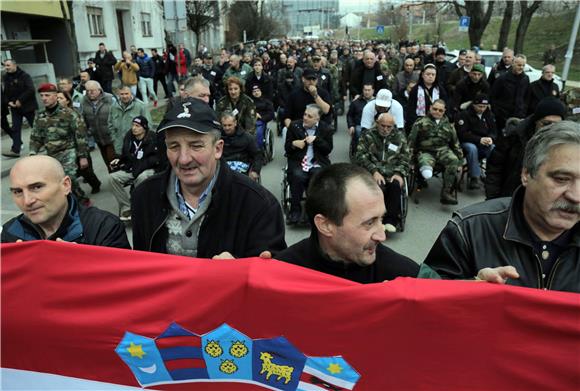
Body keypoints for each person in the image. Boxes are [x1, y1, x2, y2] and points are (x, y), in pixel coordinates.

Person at [421, 121, 580, 293]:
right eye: (562, 179)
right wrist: (470, 288)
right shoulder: (469, 230)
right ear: (526, 174)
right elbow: (426, 301)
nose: (576, 196)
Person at [131, 98, 286, 257]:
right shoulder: (144, 197)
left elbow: (273, 272)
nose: (184, 159)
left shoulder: (259, 205)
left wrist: (240, 269)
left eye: (196, 146)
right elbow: (140, 268)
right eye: (174, 146)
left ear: (218, 149)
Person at [275, 163, 419, 283]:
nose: (382, 236)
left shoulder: (404, 277)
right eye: (369, 223)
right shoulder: (281, 275)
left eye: (381, 219)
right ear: (325, 225)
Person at [2, 156, 130, 248]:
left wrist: (83, 266)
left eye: (37, 187)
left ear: (66, 185)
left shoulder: (103, 227)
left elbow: (125, 282)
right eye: (18, 192)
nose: (27, 201)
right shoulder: (11, 233)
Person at [485, 97, 567, 200]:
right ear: (536, 122)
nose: (550, 129)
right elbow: (495, 167)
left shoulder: (566, 145)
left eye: (556, 125)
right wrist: (493, 199)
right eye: (546, 124)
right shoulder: (514, 137)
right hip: (509, 199)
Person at [29, 83, 90, 205]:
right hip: (51, 153)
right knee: (52, 181)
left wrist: (83, 156)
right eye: (42, 96)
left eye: (47, 95)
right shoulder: (40, 115)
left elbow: (81, 135)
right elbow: (36, 136)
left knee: (69, 177)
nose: (44, 98)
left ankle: (82, 200)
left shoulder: (69, 113)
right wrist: (32, 153)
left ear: (55, 96)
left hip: (68, 150)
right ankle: (65, 202)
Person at [355, 113, 410, 233]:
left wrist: (399, 173)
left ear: (393, 126)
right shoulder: (368, 135)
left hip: (392, 172)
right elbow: (360, 156)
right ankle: (375, 219)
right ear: (377, 124)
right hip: (372, 171)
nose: (385, 129)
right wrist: (373, 171)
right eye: (383, 126)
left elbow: (405, 158)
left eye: (389, 127)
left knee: (395, 186)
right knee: (376, 187)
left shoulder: (399, 137)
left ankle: (390, 220)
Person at [285, 104, 333, 225]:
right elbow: (287, 149)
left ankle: (310, 211)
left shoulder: (325, 129)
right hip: (298, 161)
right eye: (305, 114)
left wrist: (317, 140)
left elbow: (328, 149)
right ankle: (295, 210)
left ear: (317, 119)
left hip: (317, 161)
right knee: (297, 176)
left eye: (309, 116)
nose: (305, 118)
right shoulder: (294, 126)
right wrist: (293, 144)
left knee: (316, 177)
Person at [408, 99, 463, 205]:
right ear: (430, 108)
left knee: (453, 160)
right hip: (425, 152)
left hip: (443, 151)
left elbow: (456, 144)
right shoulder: (420, 123)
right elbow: (411, 142)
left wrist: (460, 161)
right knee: (427, 172)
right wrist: (410, 161)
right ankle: (421, 181)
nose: (437, 112)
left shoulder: (449, 126)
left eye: (440, 110)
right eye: (435, 109)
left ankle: (446, 193)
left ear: (444, 111)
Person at [109, 116, 160, 221]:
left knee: (142, 177)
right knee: (112, 178)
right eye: (133, 125)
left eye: (137, 126)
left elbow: (155, 159)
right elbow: (125, 155)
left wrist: (139, 167)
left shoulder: (152, 138)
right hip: (132, 168)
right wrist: (119, 161)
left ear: (144, 128)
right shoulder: (129, 136)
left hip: (148, 168)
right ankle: (127, 208)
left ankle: (138, 206)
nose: (134, 128)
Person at [57, 90, 101, 194]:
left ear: (67, 101)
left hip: (78, 147)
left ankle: (95, 184)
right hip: (64, 150)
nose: (58, 100)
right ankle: (77, 194)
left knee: (86, 171)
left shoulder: (74, 113)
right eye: (57, 98)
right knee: (70, 174)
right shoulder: (53, 116)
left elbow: (81, 133)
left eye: (61, 98)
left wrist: (83, 153)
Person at [455, 94, 497, 190]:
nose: (482, 109)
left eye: (484, 107)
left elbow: (494, 131)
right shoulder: (464, 115)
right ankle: (475, 177)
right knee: (472, 148)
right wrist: (479, 140)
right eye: (480, 106)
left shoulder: (489, 115)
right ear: (474, 105)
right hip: (468, 142)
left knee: (493, 148)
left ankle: (491, 175)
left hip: (484, 143)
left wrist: (491, 138)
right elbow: (462, 134)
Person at [2, 59, 38, 157]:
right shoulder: (6, 77)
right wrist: (8, 102)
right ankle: (15, 150)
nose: (6, 68)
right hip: (14, 107)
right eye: (5, 66)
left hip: (27, 106)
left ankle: (43, 143)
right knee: (15, 128)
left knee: (35, 127)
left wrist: (20, 100)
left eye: (8, 65)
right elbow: (5, 92)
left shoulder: (24, 76)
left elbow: (30, 89)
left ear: (14, 65)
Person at [80, 80, 116, 171]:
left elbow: (118, 116)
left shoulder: (110, 99)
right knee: (107, 162)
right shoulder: (84, 101)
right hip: (98, 138)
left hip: (112, 137)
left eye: (92, 90)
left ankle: (118, 179)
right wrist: (88, 131)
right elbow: (83, 118)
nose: (89, 93)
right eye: (87, 91)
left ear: (99, 90)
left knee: (113, 160)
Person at [108, 86, 151, 155]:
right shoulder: (114, 107)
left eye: (126, 94)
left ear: (131, 94)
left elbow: (148, 125)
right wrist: (114, 139)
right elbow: (110, 124)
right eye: (122, 94)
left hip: (136, 146)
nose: (124, 96)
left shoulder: (140, 106)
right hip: (120, 146)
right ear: (118, 95)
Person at [220, 111, 261, 181]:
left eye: (229, 125)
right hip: (223, 165)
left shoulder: (247, 137)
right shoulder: (218, 137)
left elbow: (257, 155)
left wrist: (255, 171)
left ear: (235, 123)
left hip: (242, 167)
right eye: (224, 125)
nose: (227, 128)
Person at [346, 83, 375, 155]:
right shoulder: (356, 102)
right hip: (360, 125)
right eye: (365, 90)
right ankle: (358, 152)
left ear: (373, 91)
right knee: (358, 131)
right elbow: (349, 115)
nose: (367, 92)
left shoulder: (377, 102)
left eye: (369, 90)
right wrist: (351, 126)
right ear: (362, 90)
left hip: (374, 125)